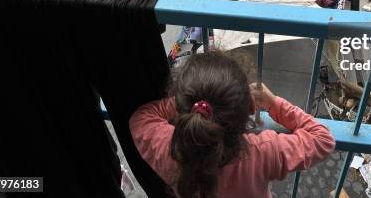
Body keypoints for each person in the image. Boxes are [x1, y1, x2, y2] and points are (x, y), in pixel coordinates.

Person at [129, 53, 335, 198]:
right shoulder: (263, 151)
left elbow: (141, 117)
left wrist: (192, 102)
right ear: (249, 107)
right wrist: (274, 103)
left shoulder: (168, 148)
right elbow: (323, 139)